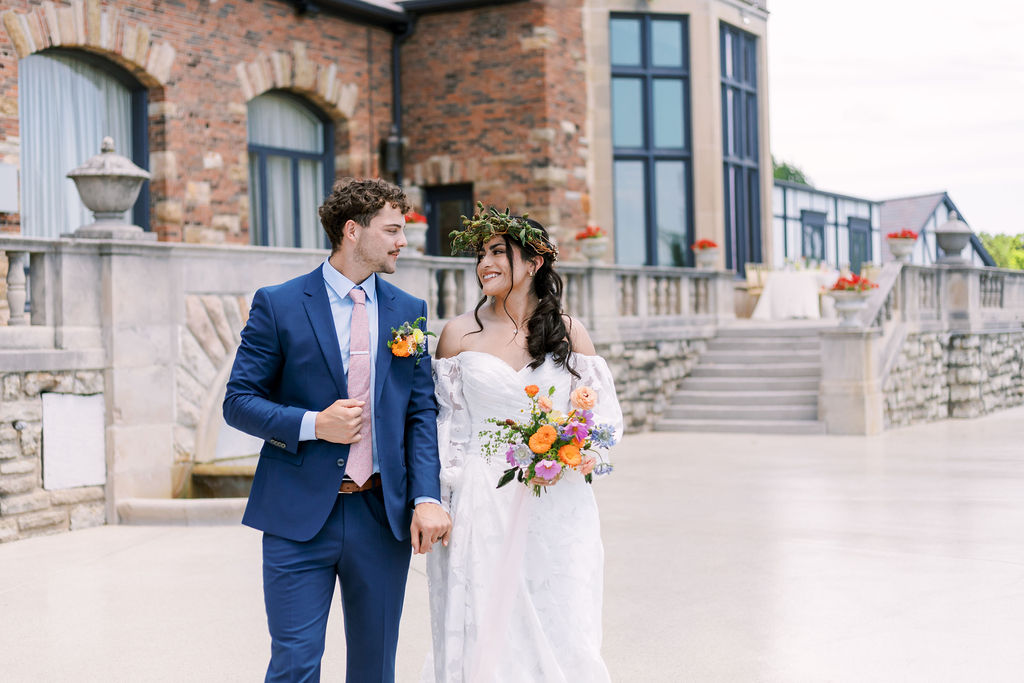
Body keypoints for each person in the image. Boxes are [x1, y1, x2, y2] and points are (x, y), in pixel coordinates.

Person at [223, 177, 452, 682]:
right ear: (353, 230)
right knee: (295, 665)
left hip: (380, 514)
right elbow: (238, 403)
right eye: (392, 230)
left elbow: (420, 414)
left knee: (375, 669)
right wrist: (312, 424)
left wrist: (426, 497)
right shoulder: (278, 304)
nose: (402, 242)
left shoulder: (407, 311)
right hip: (297, 517)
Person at [424, 208, 624, 682]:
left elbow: (602, 419)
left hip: (557, 497)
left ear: (534, 263)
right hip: (480, 495)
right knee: (486, 614)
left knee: (563, 614)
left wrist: (572, 449)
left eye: (498, 252)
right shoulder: (458, 334)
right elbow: (446, 429)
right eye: (480, 255)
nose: (485, 264)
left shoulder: (569, 332)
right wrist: (441, 499)